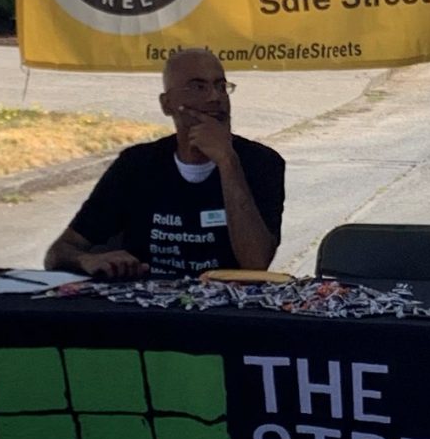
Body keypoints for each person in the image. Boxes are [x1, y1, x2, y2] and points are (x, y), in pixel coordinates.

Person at [45, 47, 285, 279]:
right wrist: (87, 260)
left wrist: (227, 161)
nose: (215, 97)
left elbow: (256, 264)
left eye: (221, 86)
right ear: (167, 104)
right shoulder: (136, 164)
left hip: (226, 312)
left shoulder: (262, 163)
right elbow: (59, 252)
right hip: (149, 309)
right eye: (198, 87)